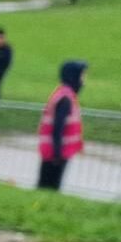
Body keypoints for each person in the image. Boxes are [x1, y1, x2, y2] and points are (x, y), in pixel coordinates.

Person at [37, 60, 87, 191]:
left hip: (56, 151)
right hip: (56, 153)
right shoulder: (65, 98)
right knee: (49, 186)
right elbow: (58, 127)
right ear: (73, 76)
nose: (84, 80)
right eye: (82, 75)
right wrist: (57, 154)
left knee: (47, 185)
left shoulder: (65, 94)